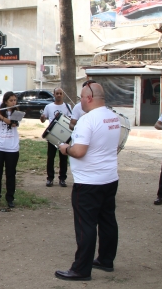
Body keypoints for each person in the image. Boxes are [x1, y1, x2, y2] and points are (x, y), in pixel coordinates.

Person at [55, 83, 121, 281]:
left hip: (89, 182)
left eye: (81, 97)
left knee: (86, 225)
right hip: (109, 178)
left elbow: (80, 151)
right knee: (108, 220)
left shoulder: (87, 120)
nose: (80, 101)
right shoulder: (112, 117)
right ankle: (106, 260)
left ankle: (81, 269)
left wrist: (65, 148)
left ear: (89, 98)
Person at [40, 88, 72, 187]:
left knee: (63, 158)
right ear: (53, 94)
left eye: (60, 93)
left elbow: (70, 120)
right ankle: (50, 178)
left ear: (63, 95)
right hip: (52, 136)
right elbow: (43, 120)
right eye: (57, 93)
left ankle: (62, 178)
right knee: (51, 157)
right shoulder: (48, 107)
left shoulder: (67, 106)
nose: (58, 95)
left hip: (63, 136)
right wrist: (42, 118)